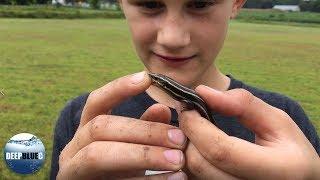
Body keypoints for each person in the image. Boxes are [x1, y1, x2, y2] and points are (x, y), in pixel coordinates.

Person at [50, 0, 320, 179]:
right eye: (149, 3)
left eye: (200, 3)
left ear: (237, 2)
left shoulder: (287, 122)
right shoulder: (79, 120)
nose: (173, 39)